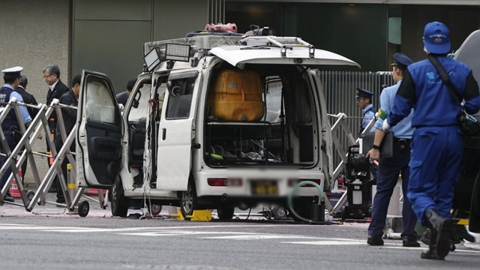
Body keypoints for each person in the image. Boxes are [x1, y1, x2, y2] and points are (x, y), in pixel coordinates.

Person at [383, 21, 480, 260]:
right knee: (445, 191)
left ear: (425, 44)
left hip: (428, 136)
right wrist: (461, 110)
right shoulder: (463, 70)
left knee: (417, 190)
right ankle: (437, 248)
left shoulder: (415, 71)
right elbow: (475, 103)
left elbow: (402, 106)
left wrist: (387, 124)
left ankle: (437, 220)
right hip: (455, 136)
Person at [365, 53, 419, 247]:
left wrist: (375, 147)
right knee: (411, 193)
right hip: (415, 148)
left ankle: (374, 234)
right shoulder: (419, 92)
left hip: (391, 148)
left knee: (383, 191)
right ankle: (409, 235)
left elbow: (382, 122)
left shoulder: (387, 93)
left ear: (397, 71)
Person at [0, 66, 33, 202]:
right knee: (9, 162)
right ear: (17, 80)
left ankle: (4, 191)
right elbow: (25, 117)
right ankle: (2, 189)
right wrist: (35, 131)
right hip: (9, 133)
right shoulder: (15, 95)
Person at [54, 74, 81, 204]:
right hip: (63, 139)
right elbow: (75, 114)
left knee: (71, 167)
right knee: (63, 168)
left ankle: (70, 194)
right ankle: (61, 196)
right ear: (76, 85)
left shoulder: (77, 98)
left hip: (72, 139)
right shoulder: (66, 97)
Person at [43, 64, 69, 193]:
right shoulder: (51, 89)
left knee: (57, 153)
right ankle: (53, 182)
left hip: (58, 127)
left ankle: (57, 183)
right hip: (50, 126)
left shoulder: (62, 89)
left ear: (55, 76)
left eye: (47, 76)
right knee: (50, 154)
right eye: (45, 76)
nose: (45, 79)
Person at [15, 75, 40, 177]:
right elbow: (36, 113)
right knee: (22, 157)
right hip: (23, 132)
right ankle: (21, 180)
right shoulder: (29, 97)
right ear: (26, 86)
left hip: (9, 130)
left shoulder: (10, 95)